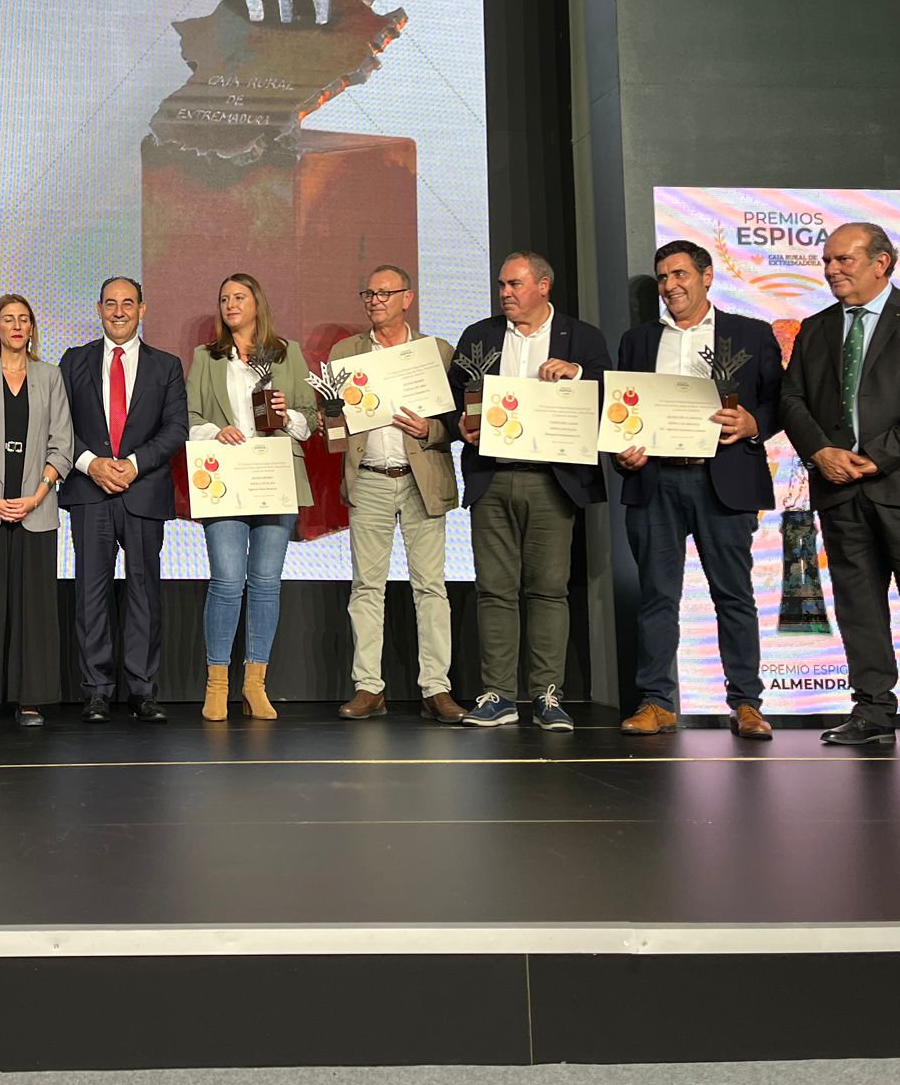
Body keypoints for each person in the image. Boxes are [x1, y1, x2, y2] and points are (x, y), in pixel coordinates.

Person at [779, 222, 900, 757]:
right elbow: (791, 399)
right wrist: (820, 452)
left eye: (844, 260)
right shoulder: (815, 328)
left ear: (881, 263)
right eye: (827, 261)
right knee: (859, 605)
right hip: (841, 490)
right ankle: (872, 712)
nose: (832, 269)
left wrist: (877, 456)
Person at [613, 241, 784, 741]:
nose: (671, 285)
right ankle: (657, 702)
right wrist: (624, 449)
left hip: (725, 479)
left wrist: (755, 423)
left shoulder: (749, 334)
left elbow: (781, 400)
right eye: (663, 277)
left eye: (681, 274)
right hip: (656, 480)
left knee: (734, 595)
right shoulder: (638, 341)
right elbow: (622, 410)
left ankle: (746, 703)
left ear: (707, 277)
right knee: (656, 597)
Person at [450, 252, 609, 731]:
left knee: (548, 591)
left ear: (544, 285)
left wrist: (578, 374)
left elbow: (614, 396)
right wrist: (460, 424)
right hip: (492, 477)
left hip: (551, 481)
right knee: (494, 590)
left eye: (515, 284)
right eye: (501, 284)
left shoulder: (582, 339)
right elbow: (452, 400)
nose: (505, 293)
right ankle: (497, 695)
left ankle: (546, 695)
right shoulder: (479, 336)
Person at [329, 264, 464, 724]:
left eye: (385, 293)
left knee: (431, 586)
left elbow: (463, 423)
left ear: (408, 297)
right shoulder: (346, 353)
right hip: (368, 476)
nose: (375, 300)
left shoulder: (437, 353)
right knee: (367, 586)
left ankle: (436, 690)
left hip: (422, 478)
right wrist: (332, 418)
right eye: (368, 293)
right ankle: (369, 687)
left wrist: (433, 429)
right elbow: (333, 423)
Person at [186, 273, 318, 721]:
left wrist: (286, 420)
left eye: (238, 297)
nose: (230, 304)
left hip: (273, 476)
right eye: (223, 298)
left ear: (257, 303)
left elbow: (311, 417)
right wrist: (213, 431)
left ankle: (255, 683)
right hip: (225, 478)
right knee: (226, 581)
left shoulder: (287, 353)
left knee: (265, 584)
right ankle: (217, 683)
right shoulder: (206, 357)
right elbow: (189, 416)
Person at [59, 277, 188, 723]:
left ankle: (141, 689)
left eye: (127, 303)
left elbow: (175, 429)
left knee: (144, 593)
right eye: (110, 303)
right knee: (90, 593)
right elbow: (57, 426)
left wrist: (133, 464)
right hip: (88, 492)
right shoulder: (73, 361)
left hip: (144, 490)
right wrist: (90, 463)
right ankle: (96, 689)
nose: (119, 311)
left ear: (142, 309)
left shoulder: (167, 366)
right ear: (98, 309)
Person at [0, 295, 72, 726]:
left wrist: (37, 495)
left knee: (34, 608)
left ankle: (30, 697)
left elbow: (63, 443)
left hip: (35, 509)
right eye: (8, 319)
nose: (17, 326)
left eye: (24, 319)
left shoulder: (51, 376)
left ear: (32, 328)